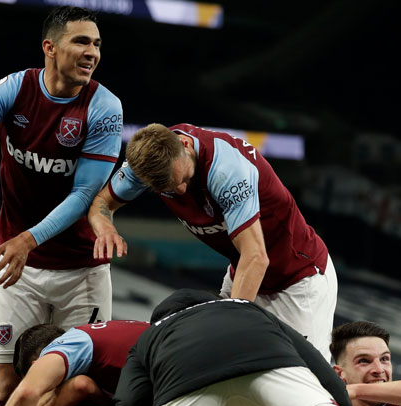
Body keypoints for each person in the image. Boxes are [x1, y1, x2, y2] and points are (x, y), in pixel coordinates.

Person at [0, 5, 124, 406]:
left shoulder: (104, 108)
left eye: (96, 44)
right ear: (50, 47)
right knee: (5, 384)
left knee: (81, 386)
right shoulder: (15, 88)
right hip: (17, 269)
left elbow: (82, 197)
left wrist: (28, 239)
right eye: (81, 41)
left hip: (82, 270)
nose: (92, 52)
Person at [88, 123, 337, 361]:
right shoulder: (147, 161)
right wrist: (106, 226)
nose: (183, 191)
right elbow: (101, 204)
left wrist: (227, 330)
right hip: (243, 269)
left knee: (309, 382)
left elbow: (256, 256)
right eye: (171, 188)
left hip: (298, 278)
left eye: (184, 179)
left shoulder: (227, 170)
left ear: (184, 144)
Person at [113, 288, 351, 406]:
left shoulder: (149, 337)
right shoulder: (244, 307)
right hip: (270, 365)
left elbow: (128, 401)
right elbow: (319, 366)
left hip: (183, 385)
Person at [6, 320, 150, 406]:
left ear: (36, 365)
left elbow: (26, 393)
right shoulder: (84, 338)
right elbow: (82, 385)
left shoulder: (61, 349)